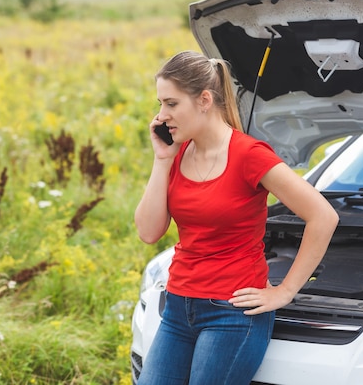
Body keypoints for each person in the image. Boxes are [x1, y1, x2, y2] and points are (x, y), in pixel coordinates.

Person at [134, 50, 339, 385]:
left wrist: (285, 291)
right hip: (177, 308)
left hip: (230, 315)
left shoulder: (249, 155)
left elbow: (322, 216)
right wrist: (162, 160)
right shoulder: (178, 151)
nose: (161, 115)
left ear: (203, 100)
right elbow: (148, 231)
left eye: (171, 104)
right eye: (160, 104)